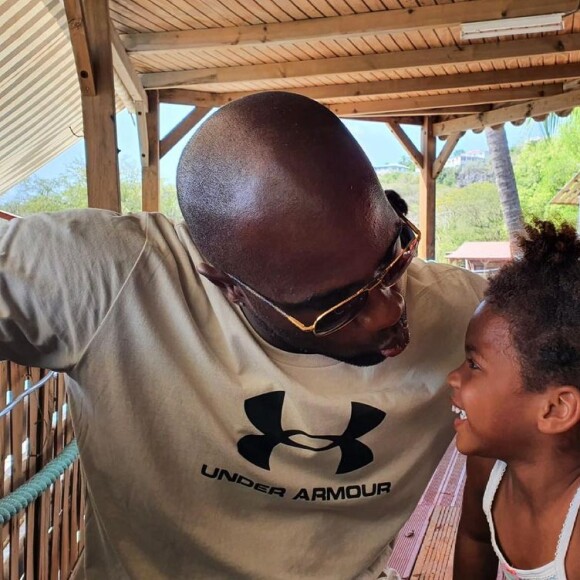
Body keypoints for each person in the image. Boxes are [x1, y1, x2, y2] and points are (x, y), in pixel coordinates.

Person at [0, 91, 486, 579]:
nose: (388, 311)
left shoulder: (473, 319)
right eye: (336, 306)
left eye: (395, 255)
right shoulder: (114, 283)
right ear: (230, 287)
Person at [450, 220, 580, 579]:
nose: (453, 376)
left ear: (555, 409)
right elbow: (475, 539)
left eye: (474, 364)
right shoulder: (488, 466)